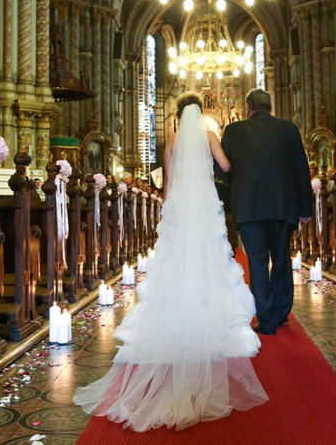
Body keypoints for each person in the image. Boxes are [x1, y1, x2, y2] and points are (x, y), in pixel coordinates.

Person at [73, 92, 267, 431]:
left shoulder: (173, 139)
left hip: (181, 204)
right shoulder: (209, 136)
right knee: (209, 258)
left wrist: (167, 206)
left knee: (177, 258)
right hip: (206, 203)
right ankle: (205, 311)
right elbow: (225, 166)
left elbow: (169, 179)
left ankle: (178, 308)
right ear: (201, 114)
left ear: (178, 115)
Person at [219, 88, 311, 336]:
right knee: (281, 259)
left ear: (248, 108)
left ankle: (267, 321)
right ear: (270, 107)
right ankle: (281, 313)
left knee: (257, 263)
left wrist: (237, 185)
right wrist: (306, 209)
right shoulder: (289, 129)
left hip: (249, 208)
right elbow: (301, 169)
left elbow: (222, 167)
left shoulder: (234, 131)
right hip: (284, 206)